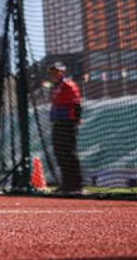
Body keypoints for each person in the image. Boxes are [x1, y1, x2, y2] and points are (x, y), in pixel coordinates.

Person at [49, 62, 83, 194]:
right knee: (60, 153)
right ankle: (66, 183)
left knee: (68, 152)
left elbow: (76, 103)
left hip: (67, 122)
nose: (54, 75)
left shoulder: (68, 85)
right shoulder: (56, 87)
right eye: (52, 72)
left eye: (57, 72)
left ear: (63, 72)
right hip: (58, 122)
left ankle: (76, 184)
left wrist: (76, 120)